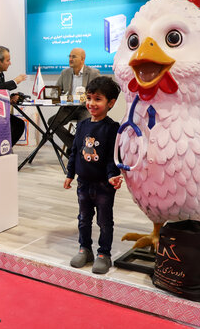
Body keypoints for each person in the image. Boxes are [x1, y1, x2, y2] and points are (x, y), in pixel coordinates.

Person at [63, 76, 123, 274]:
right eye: (89, 98)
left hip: (103, 186)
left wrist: (112, 175)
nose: (91, 103)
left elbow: (111, 158)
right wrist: (70, 173)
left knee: (104, 222)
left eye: (98, 99)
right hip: (83, 184)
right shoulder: (82, 126)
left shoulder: (112, 128)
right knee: (83, 218)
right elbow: (75, 152)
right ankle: (84, 249)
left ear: (111, 103)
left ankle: (104, 253)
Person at [49, 47, 100, 150]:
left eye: (74, 57)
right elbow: (54, 91)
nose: (70, 59)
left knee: (84, 125)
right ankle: (73, 146)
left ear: (82, 59)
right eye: (69, 56)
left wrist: (88, 98)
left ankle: (76, 149)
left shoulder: (93, 73)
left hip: (85, 108)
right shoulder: (65, 73)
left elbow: (99, 93)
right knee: (52, 122)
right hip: (68, 108)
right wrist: (59, 96)